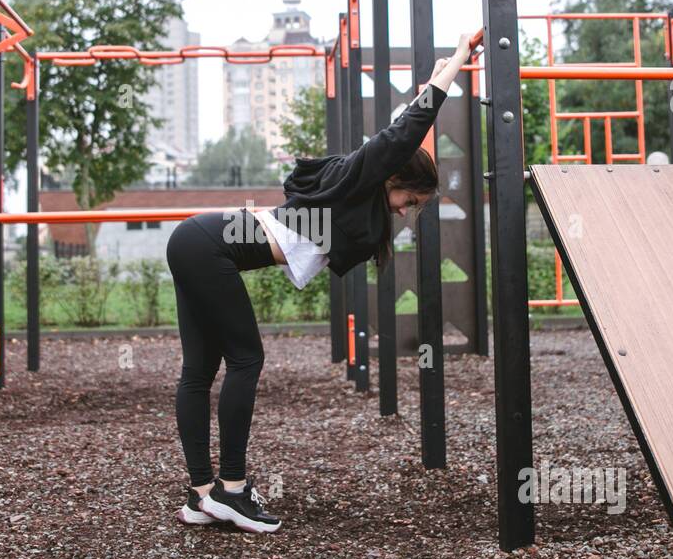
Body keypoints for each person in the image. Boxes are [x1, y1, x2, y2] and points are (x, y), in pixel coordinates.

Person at [165, 33, 477, 532]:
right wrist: (456, 64)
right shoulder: (361, 177)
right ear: (393, 179)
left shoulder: (352, 191)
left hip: (197, 238)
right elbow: (406, 129)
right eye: (410, 202)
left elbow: (406, 131)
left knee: (200, 370)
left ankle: (202, 496)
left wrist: (437, 72)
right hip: (209, 243)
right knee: (246, 359)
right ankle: (231, 489)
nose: (406, 212)